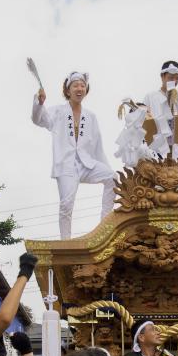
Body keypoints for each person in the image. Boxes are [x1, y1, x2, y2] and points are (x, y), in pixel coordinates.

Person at [32, 72, 116, 239]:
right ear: (68, 90)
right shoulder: (57, 111)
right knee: (66, 204)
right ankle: (66, 241)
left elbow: (98, 144)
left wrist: (105, 166)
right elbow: (38, 120)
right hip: (66, 165)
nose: (80, 88)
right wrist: (39, 103)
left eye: (82, 85)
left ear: (86, 89)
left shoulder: (91, 116)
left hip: (86, 164)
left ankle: (104, 227)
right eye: (75, 86)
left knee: (112, 178)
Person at [143, 61, 178, 161]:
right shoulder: (150, 97)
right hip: (157, 153)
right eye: (171, 78)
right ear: (162, 76)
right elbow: (145, 125)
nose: (174, 81)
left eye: (177, 78)